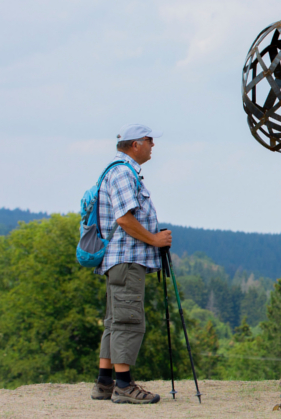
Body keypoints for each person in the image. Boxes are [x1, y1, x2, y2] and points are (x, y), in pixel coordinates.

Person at [90, 124, 172, 404]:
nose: (153, 145)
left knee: (114, 321)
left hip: (118, 262)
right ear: (135, 144)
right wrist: (155, 240)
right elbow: (124, 219)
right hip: (127, 259)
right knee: (128, 320)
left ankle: (104, 382)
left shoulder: (117, 171)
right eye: (149, 140)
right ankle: (124, 385)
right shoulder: (124, 173)